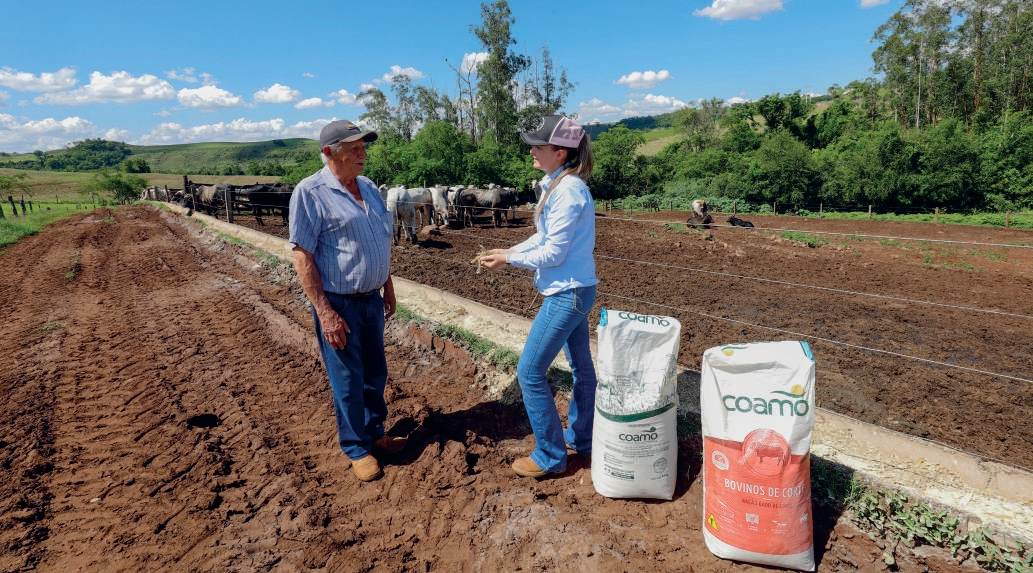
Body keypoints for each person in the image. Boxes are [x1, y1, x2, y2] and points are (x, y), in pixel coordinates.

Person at [479, 115, 599, 478]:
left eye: (538, 146)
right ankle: (583, 439)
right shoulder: (558, 184)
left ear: (560, 152)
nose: (532, 150)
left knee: (529, 372)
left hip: (566, 294)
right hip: (579, 289)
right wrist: (508, 250)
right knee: (581, 370)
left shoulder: (567, 191)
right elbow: (544, 240)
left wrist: (509, 258)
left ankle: (550, 455)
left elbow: (554, 254)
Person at [288, 119, 406, 482]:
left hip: (371, 299)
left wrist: (386, 285)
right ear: (328, 152)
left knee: (375, 372)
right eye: (354, 147)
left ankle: (375, 432)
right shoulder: (309, 193)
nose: (363, 153)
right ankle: (356, 447)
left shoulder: (368, 187)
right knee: (347, 377)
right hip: (338, 302)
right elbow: (302, 256)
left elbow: (379, 240)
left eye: (364, 146)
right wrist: (324, 312)